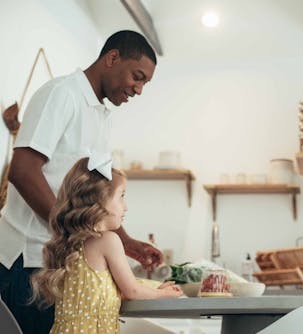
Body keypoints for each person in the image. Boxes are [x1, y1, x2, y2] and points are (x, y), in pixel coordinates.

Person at [0, 30, 164, 333]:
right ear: (112, 58)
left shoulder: (101, 115)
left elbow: (99, 195)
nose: (139, 90)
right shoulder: (61, 94)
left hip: (60, 261)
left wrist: (126, 242)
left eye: (144, 83)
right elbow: (23, 171)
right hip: (27, 262)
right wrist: (73, 232)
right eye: (137, 77)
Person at [31, 157, 183, 334]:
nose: (125, 207)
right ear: (99, 201)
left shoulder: (72, 243)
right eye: (121, 197)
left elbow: (121, 286)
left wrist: (155, 288)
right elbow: (131, 291)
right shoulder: (108, 240)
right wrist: (164, 294)